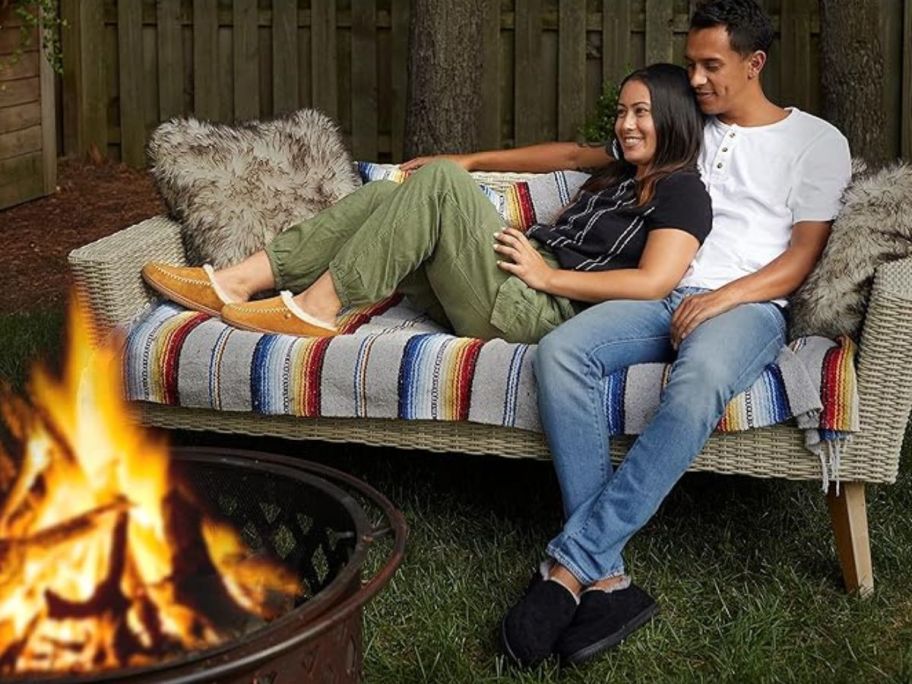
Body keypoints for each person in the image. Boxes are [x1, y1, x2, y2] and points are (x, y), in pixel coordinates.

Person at [489, 0, 852, 670]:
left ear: (754, 63)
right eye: (691, 64)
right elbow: (575, 154)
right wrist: (461, 161)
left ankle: (570, 566)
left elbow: (802, 256)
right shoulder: (687, 124)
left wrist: (723, 298)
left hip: (748, 305)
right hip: (658, 293)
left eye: (712, 65)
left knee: (699, 383)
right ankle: (607, 582)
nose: (697, 79)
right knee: (563, 352)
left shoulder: (815, 141)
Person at [141, 63, 711, 346]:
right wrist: (469, 159)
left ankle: (316, 308)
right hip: (499, 287)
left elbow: (654, 282)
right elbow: (563, 153)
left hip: (537, 308)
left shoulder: (683, 190)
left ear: (673, 118)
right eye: (622, 112)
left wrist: (548, 277)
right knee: (390, 192)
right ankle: (238, 281)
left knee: (438, 184)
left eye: (641, 112)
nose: (626, 124)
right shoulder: (621, 165)